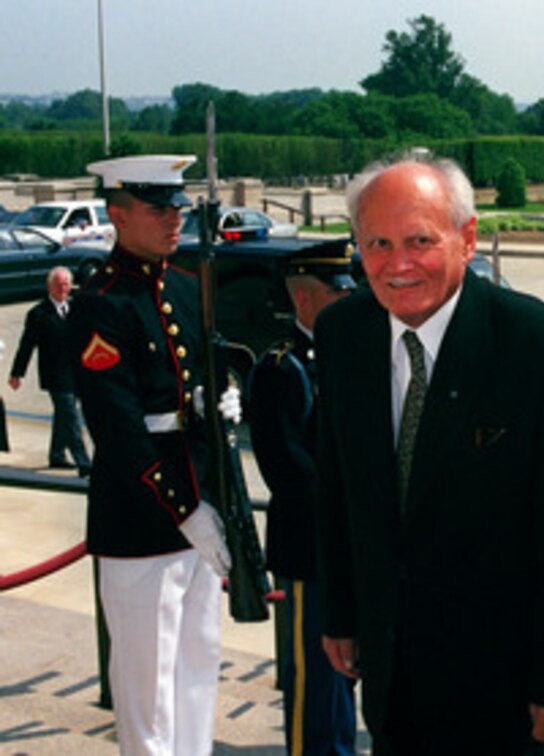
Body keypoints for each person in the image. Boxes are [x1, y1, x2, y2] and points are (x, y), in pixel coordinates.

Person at [314, 155, 544, 754]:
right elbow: (339, 484)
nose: (397, 265)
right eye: (377, 243)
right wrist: (343, 612)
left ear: (467, 237)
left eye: (420, 241)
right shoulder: (343, 333)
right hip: (390, 673)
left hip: (502, 689)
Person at [69, 154, 242, 755]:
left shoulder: (187, 288)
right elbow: (119, 434)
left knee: (198, 666)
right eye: (157, 208)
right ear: (117, 214)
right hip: (143, 518)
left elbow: (201, 388)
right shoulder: (101, 303)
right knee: (147, 687)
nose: (174, 219)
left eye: (177, 207)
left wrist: (226, 401)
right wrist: (183, 508)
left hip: (201, 504)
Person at [248, 241, 357, 755]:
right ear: (305, 299)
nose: (348, 300)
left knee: (345, 676)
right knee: (314, 675)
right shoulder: (281, 368)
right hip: (311, 548)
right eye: (338, 292)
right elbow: (290, 470)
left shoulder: (350, 356)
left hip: (349, 548)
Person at [8, 265, 91, 475]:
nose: (63, 288)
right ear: (49, 286)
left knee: (64, 416)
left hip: (78, 374)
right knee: (71, 417)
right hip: (56, 376)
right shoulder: (38, 314)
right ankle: (84, 463)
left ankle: (57, 455)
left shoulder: (77, 309)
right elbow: (26, 345)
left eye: (66, 284)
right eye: (58, 284)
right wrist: (17, 373)